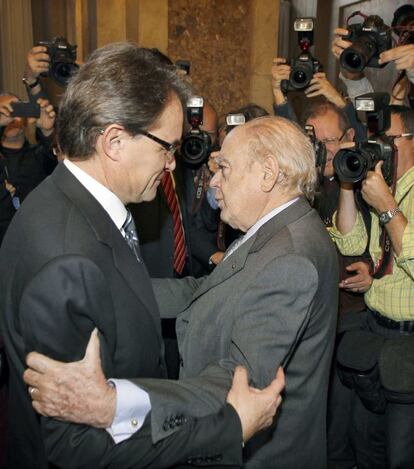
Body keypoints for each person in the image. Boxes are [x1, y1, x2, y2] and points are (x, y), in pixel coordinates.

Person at [0, 42, 284, 469]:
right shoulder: (64, 256)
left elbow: (124, 298)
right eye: (166, 147)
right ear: (114, 141)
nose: (172, 164)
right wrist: (230, 426)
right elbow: (77, 447)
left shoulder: (72, 203)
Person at [25, 115, 338, 468]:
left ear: (267, 173)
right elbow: (207, 288)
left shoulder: (291, 257)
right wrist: (107, 292)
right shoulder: (273, 231)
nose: (214, 183)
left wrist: (116, 402)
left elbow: (237, 382)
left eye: (225, 169)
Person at [329, 106, 414, 468]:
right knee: (365, 447)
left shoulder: (390, 194)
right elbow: (350, 243)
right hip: (373, 333)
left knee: (400, 457)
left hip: (408, 343)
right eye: (373, 139)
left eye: (388, 140)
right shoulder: (383, 183)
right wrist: (347, 183)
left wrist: (388, 207)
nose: (377, 147)